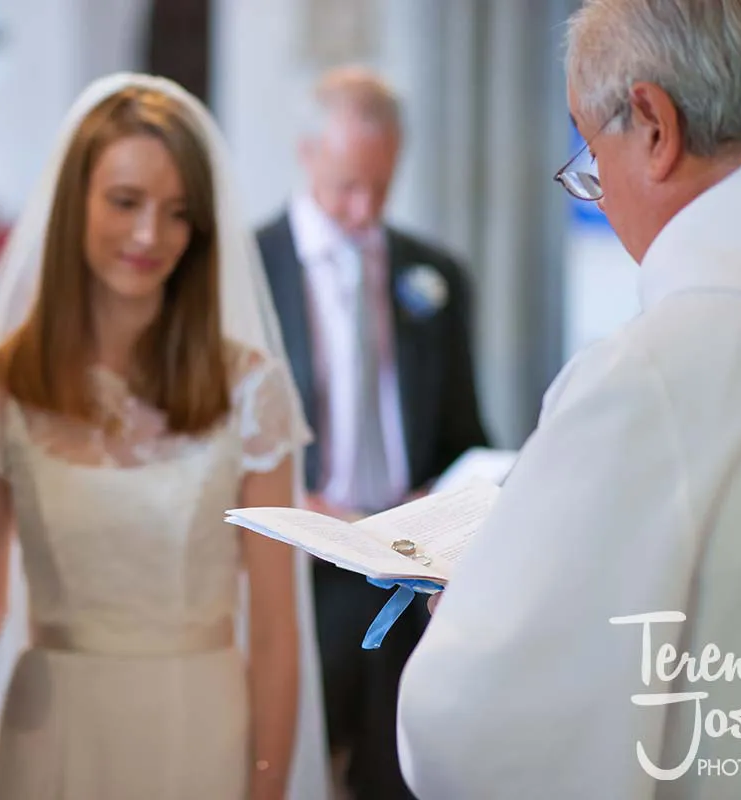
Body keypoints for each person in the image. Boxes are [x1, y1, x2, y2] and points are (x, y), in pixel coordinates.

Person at [397, 1, 741, 798]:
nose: (597, 192)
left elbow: (479, 740)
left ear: (652, 124)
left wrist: (479, 605)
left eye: (588, 149)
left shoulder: (657, 377)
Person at [0, 73, 330, 799]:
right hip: (51, 729)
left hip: (199, 726)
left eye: (178, 213)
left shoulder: (250, 389)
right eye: (125, 202)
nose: (151, 235)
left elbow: (277, 632)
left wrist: (267, 783)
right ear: (73, 203)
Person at [256, 65, 489, 798]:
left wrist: (446, 496)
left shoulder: (435, 275)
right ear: (306, 154)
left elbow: (465, 430)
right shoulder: (248, 268)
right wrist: (293, 496)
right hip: (296, 569)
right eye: (345, 187)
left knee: (399, 772)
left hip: (406, 571)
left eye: (380, 189)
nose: (362, 211)